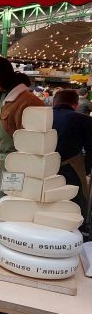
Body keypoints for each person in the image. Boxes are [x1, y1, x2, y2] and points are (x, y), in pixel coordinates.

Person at [0, 56, 44, 212]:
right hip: (0, 168)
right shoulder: (4, 98)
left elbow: (35, 147)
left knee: (4, 212)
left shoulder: (28, 102)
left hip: (15, 171)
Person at [53, 89, 92, 219]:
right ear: (76, 104)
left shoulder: (43, 116)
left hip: (40, 170)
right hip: (70, 170)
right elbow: (90, 149)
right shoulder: (84, 120)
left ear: (54, 102)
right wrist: (86, 169)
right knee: (71, 207)